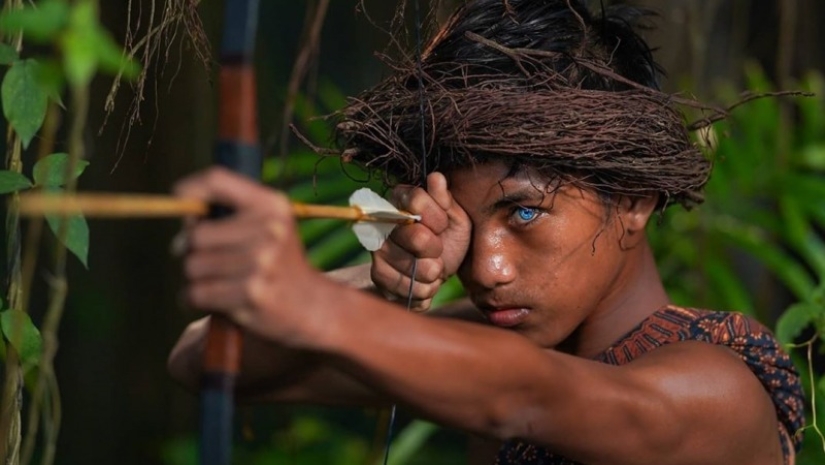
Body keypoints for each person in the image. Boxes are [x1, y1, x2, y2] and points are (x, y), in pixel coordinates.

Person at [168, 1, 805, 464]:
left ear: (633, 202)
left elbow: (525, 397)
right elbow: (207, 359)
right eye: (466, 226)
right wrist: (389, 279)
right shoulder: (490, 349)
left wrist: (310, 303)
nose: (487, 269)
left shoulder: (717, 389)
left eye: (524, 213)